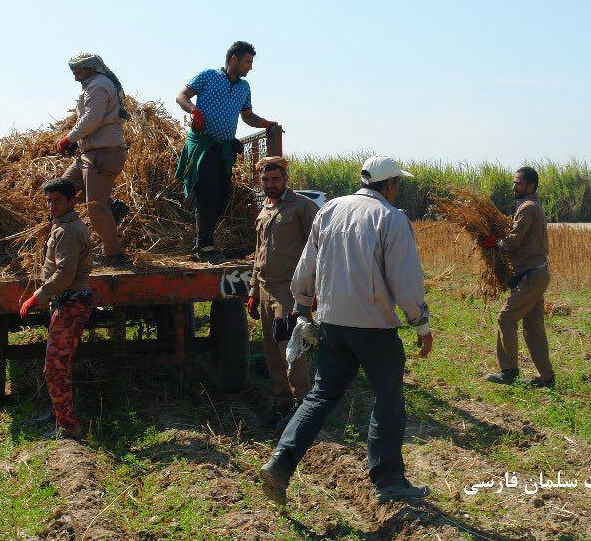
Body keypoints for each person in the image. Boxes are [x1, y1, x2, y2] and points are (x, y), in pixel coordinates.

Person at [259, 156, 433, 506]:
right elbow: (405, 278)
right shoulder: (391, 218)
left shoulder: (331, 209)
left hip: (333, 324)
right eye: (399, 183)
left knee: (320, 396)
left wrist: (303, 308)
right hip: (373, 328)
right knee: (388, 399)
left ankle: (280, 463)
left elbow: (307, 264)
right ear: (391, 184)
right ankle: (389, 481)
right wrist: (420, 323)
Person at [175, 41, 277, 263]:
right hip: (203, 144)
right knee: (208, 192)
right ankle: (203, 246)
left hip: (224, 148)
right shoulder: (208, 76)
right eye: (248, 61)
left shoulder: (243, 87)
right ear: (234, 59)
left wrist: (266, 123)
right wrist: (194, 112)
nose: (250, 67)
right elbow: (182, 96)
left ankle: (203, 242)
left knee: (223, 195)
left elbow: (247, 116)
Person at [18, 178, 94, 439]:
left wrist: (35, 298)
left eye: (57, 200)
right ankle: (59, 413)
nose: (51, 205)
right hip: (67, 302)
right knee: (58, 365)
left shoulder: (68, 231)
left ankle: (69, 428)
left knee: (55, 367)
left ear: (72, 201)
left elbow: (64, 275)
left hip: (71, 304)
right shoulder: (63, 225)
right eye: (48, 200)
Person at [247, 156, 319, 417]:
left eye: (275, 179)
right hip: (266, 290)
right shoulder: (265, 209)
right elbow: (259, 253)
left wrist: (313, 292)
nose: (270, 184)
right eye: (265, 180)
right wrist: (254, 290)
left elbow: (318, 249)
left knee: (291, 349)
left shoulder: (303, 206)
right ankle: (281, 403)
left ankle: (303, 407)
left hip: (289, 293)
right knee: (271, 351)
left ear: (286, 179)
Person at [480, 167, 555, 387]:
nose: (514, 186)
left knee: (506, 317)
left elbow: (514, 241)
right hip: (535, 273)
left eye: (519, 183)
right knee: (533, 327)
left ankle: (508, 371)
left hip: (532, 276)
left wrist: (495, 243)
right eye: (514, 183)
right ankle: (546, 377)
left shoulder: (528, 207)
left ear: (530, 186)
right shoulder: (531, 206)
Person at [55, 53, 130, 266]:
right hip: (88, 155)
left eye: (78, 71)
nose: (76, 77)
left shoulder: (98, 85)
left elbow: (92, 119)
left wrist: (68, 139)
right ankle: (113, 208)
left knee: (95, 208)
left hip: (102, 154)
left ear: (91, 68)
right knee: (61, 192)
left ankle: (114, 256)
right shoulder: (95, 84)